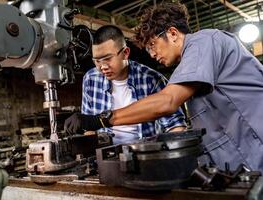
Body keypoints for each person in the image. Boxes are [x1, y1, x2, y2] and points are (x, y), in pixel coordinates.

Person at [64, 2, 263, 172]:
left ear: (173, 33)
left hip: (255, 151)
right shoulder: (187, 69)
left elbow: (167, 102)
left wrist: (101, 119)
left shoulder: (205, 41)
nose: (151, 54)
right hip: (235, 161)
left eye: (152, 44)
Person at [65, 25, 186, 144]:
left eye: (108, 59)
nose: (102, 67)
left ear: (126, 53)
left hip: (145, 154)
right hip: (107, 155)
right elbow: (89, 128)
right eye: (97, 61)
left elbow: (175, 126)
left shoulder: (152, 80)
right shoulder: (91, 79)